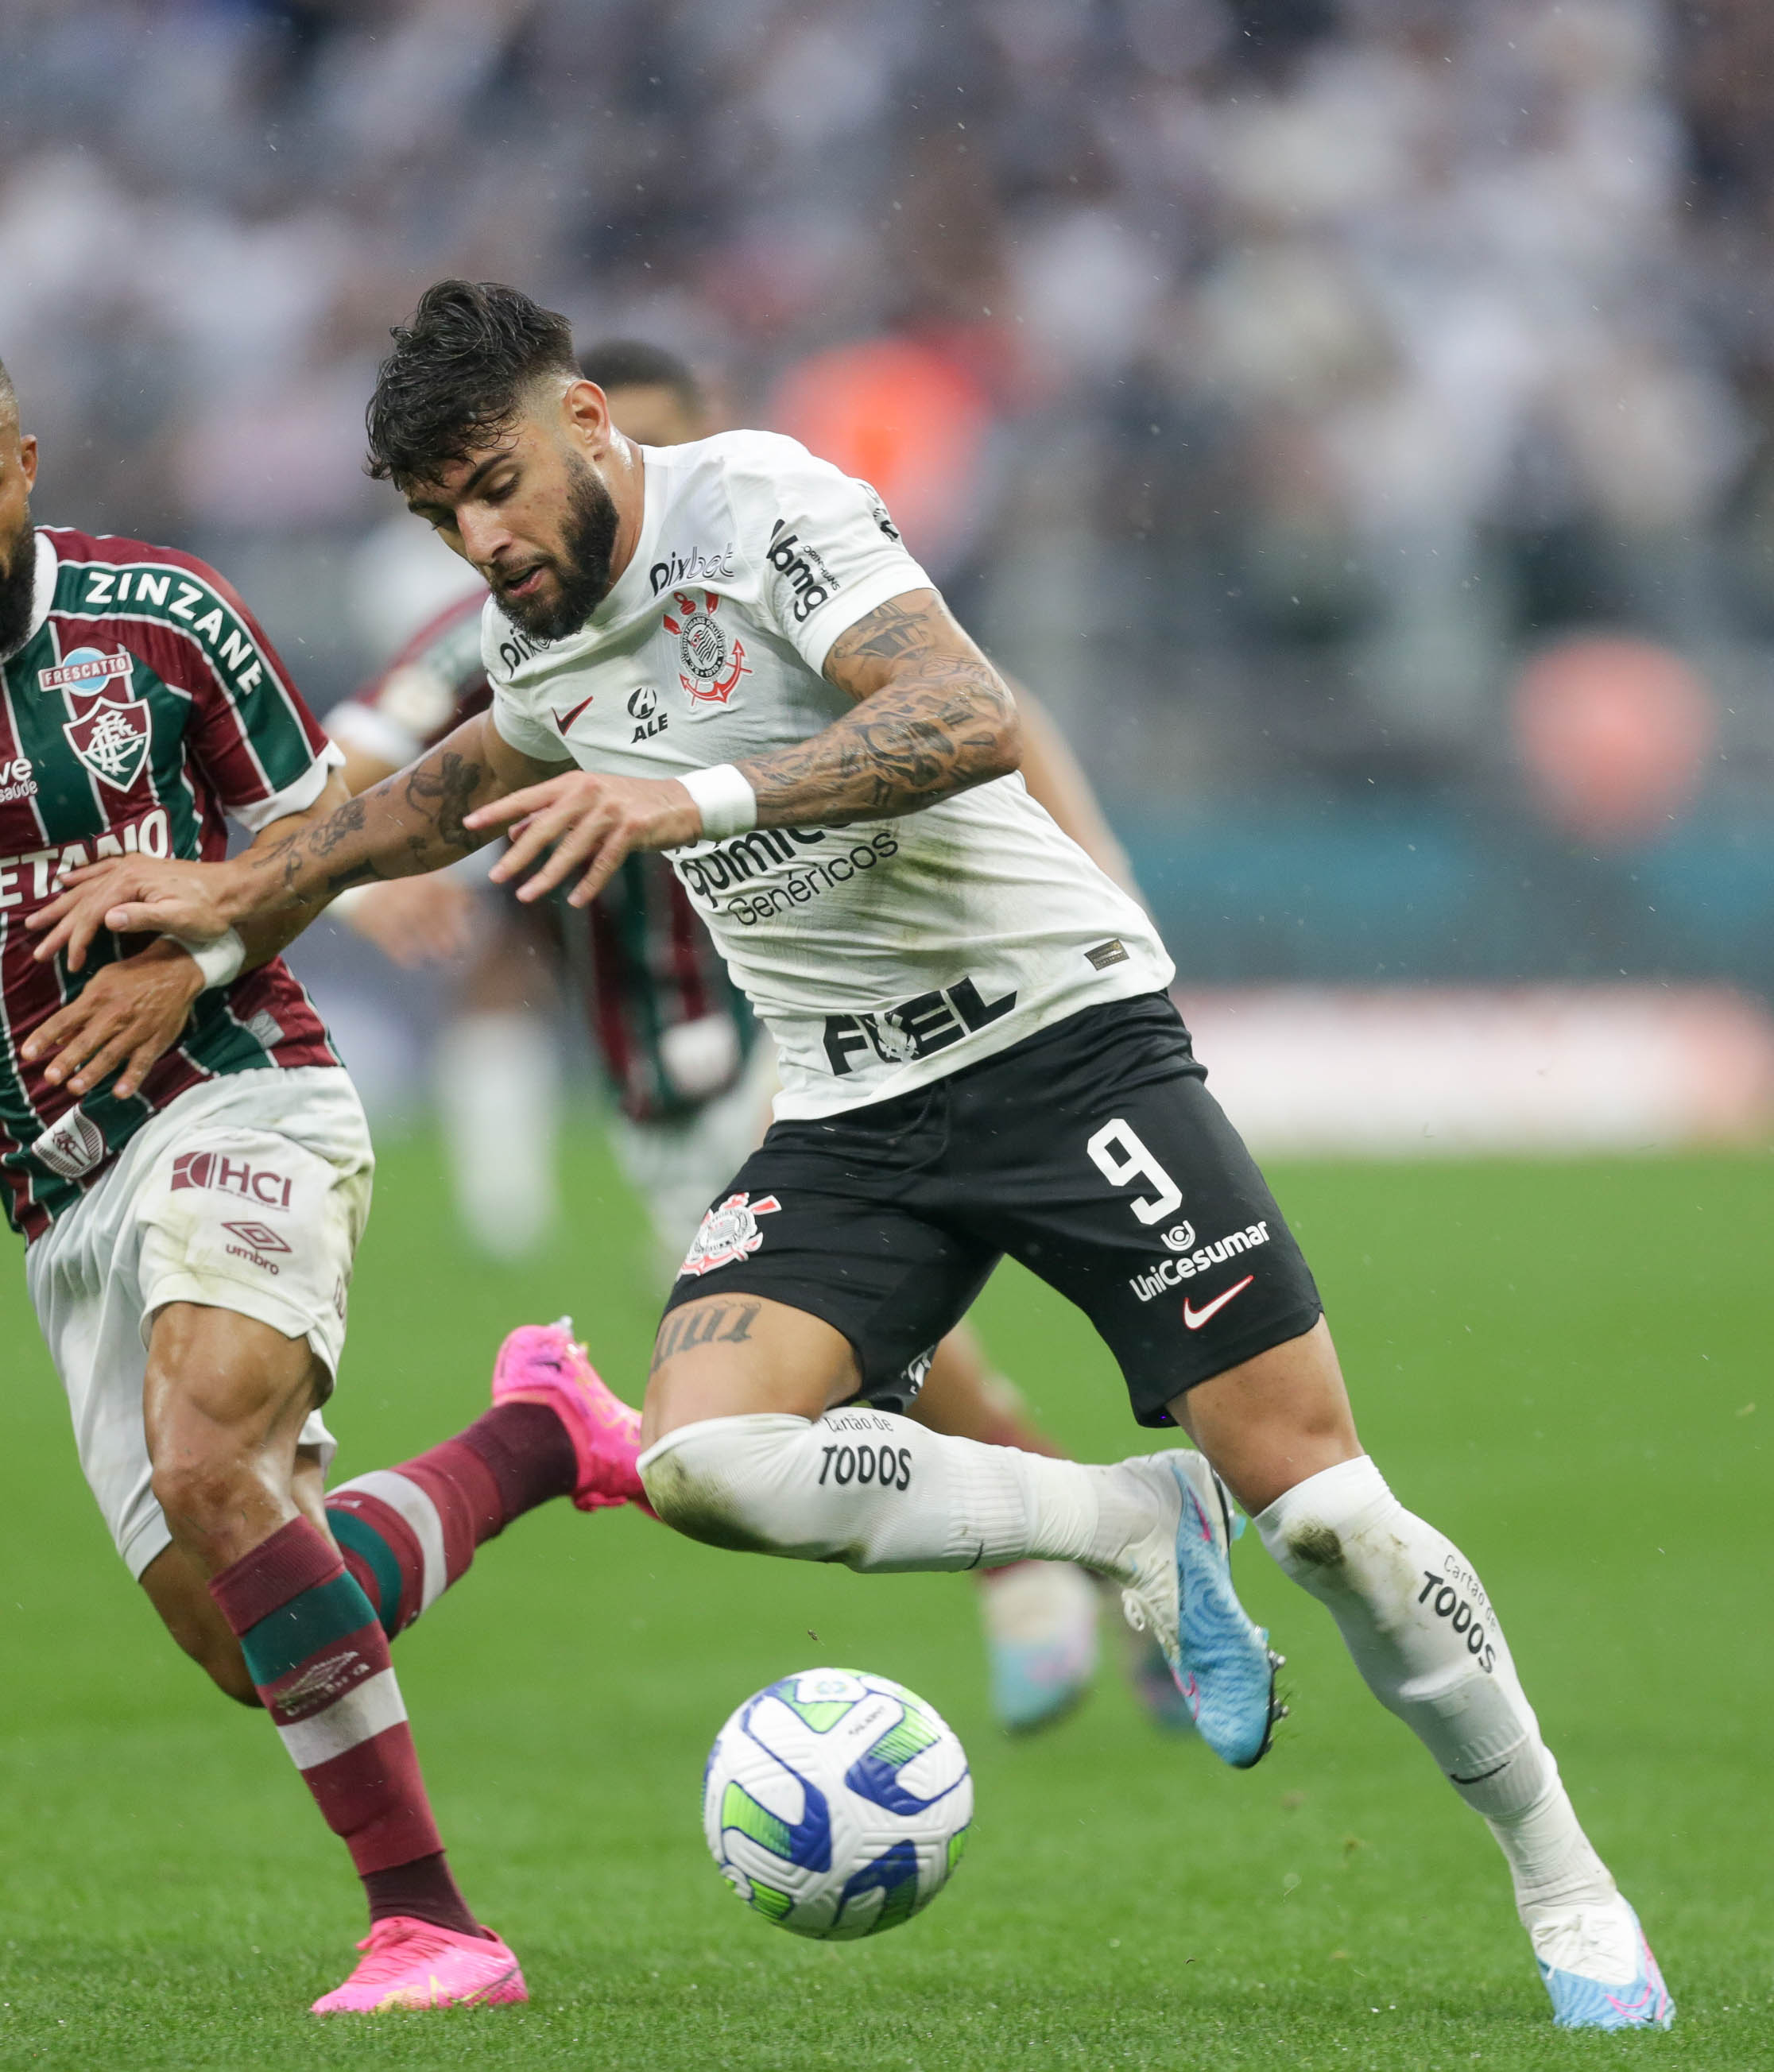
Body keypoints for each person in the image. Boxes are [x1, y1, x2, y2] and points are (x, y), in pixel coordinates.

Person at [21, 282, 1674, 2031]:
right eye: (443, 514)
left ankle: (1566, 1880)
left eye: (494, 483)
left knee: (1331, 1516)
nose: (481, 536)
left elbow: (960, 711)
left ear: (587, 420)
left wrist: (696, 801)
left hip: (1064, 1045)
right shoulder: (541, 632)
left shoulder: (765, 504)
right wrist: (233, 898)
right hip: (853, 1114)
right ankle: (1127, 1520)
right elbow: (438, 791)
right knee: (705, 1458)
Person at [0, 316, 664, 2016]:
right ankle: (536, 1434)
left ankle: (432, 1927)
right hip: (52, 1193)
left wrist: (194, 951)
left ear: (28, 463)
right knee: (256, 1631)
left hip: (242, 1090)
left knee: (212, 1456)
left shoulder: (166, 618)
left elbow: (307, 833)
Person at [323, 337, 1185, 1737]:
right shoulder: (511, 622)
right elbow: (365, 753)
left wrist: (1102, 884)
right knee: (817, 1405)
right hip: (651, 1080)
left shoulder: (770, 544)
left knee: (857, 1372)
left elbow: (990, 713)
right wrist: (357, 869)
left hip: (798, 1039)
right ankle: (1087, 1544)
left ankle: (1062, 1559)